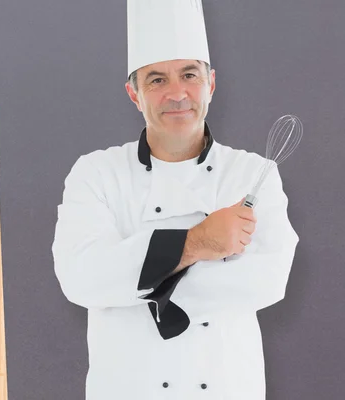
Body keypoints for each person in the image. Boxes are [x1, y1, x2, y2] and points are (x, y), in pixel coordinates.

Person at [51, 1, 299, 399]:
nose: (177, 93)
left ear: (211, 84)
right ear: (134, 93)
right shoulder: (95, 173)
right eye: (156, 80)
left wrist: (136, 276)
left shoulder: (253, 173)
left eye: (189, 75)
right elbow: (81, 278)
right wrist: (200, 241)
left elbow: (268, 281)